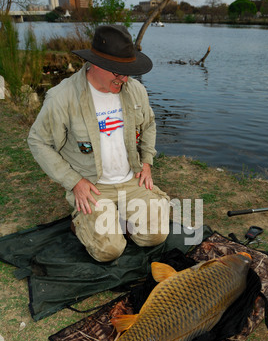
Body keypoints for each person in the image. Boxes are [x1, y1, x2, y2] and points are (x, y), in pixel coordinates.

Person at [28, 24, 170, 262]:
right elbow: (38, 142)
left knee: (156, 236)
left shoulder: (135, 90)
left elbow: (149, 126)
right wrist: (74, 182)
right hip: (94, 187)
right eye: (117, 72)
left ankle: (117, 216)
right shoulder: (62, 97)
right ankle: (83, 221)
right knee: (108, 251)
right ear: (95, 64)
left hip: (131, 180)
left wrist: (146, 161)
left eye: (127, 71)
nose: (124, 79)